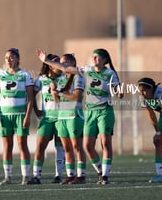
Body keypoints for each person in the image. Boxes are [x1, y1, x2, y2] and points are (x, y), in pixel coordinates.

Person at [36, 48, 123, 184]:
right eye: (93, 57)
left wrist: (119, 92)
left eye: (97, 57)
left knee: (102, 143)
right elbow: (59, 99)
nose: (94, 59)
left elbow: (77, 97)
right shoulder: (83, 71)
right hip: (76, 114)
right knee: (83, 146)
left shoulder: (106, 73)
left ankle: (101, 175)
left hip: (99, 111)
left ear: (105, 60)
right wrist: (46, 62)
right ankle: (95, 172)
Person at [0, 48, 34, 185]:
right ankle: (8, 177)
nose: (8, 60)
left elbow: (30, 98)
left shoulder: (25, 75)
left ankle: (25, 176)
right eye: (6, 58)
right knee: (7, 146)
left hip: (20, 115)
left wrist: (28, 116)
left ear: (17, 59)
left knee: (22, 144)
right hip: (5, 115)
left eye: (11, 57)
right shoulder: (1, 75)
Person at [27, 54, 65, 184]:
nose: (59, 65)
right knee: (40, 146)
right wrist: (36, 110)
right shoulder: (41, 79)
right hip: (46, 118)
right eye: (56, 62)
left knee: (60, 147)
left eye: (60, 62)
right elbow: (31, 95)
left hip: (61, 118)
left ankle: (58, 175)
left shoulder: (65, 78)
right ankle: (36, 176)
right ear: (49, 65)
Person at [52, 53, 87, 185]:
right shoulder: (60, 78)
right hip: (62, 116)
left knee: (77, 146)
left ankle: (81, 175)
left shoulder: (78, 77)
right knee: (66, 148)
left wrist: (60, 93)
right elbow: (57, 102)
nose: (62, 65)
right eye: (61, 63)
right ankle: (70, 175)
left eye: (65, 63)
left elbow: (76, 97)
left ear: (73, 63)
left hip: (74, 115)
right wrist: (54, 92)